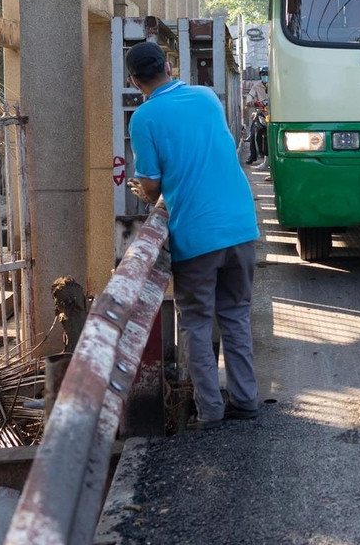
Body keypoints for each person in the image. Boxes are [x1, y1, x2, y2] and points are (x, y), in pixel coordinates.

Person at [125, 41, 260, 430]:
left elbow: (152, 183)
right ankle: (247, 401)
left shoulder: (145, 118)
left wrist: (144, 192)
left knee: (197, 322)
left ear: (135, 81)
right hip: (240, 225)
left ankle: (211, 412)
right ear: (169, 65)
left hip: (196, 235)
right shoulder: (205, 97)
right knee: (234, 315)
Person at [244, 66, 269, 165]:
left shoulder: (275, 85)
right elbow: (250, 96)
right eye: (263, 75)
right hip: (262, 113)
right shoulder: (256, 86)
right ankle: (253, 156)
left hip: (275, 114)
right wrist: (250, 102)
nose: (265, 76)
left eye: (267, 74)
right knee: (253, 130)